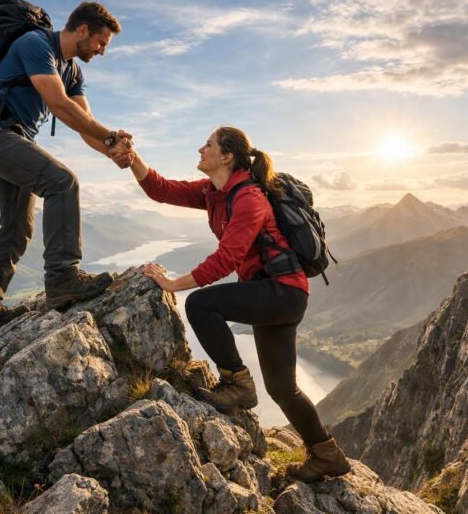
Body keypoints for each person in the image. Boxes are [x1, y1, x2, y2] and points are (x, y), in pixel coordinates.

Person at [115, 125, 351, 482]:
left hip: (281, 291)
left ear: (227, 156)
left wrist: (174, 283)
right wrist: (132, 159)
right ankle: (327, 454)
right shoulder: (215, 192)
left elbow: (228, 257)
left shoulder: (249, 197)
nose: (200, 149)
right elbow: (162, 189)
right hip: (277, 292)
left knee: (200, 304)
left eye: (207, 145)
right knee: (282, 387)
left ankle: (237, 382)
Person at [0, 1, 132, 337]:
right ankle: (63, 278)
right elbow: (58, 104)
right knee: (62, 182)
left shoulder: (73, 71)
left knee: (16, 227)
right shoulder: (36, 44)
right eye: (101, 42)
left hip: (13, 138)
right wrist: (111, 138)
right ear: (82, 30)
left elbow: (84, 125)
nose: (102, 51)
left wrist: (112, 151)